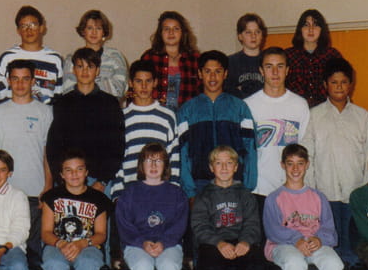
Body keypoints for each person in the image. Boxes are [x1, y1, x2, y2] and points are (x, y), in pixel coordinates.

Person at [263, 144, 342, 270]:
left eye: (300, 163)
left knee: (334, 264)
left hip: (313, 243)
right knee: (294, 263)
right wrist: (296, 240)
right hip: (284, 244)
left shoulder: (318, 197)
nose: (295, 169)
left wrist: (319, 239)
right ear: (283, 165)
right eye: (290, 164)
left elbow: (329, 229)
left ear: (307, 165)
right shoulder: (274, 198)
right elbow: (272, 230)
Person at [192, 146, 268, 270]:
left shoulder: (246, 195)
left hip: (241, 242)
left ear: (236, 167)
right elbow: (199, 226)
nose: (224, 167)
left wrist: (245, 242)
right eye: (219, 163)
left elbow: (253, 224)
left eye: (229, 163)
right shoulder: (204, 196)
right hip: (214, 244)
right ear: (211, 167)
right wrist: (219, 243)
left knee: (258, 268)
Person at [115, 143, 188, 270]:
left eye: (159, 161)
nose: (154, 165)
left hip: (169, 244)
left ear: (166, 165)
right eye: (149, 160)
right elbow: (124, 225)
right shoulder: (130, 193)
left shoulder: (176, 193)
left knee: (169, 267)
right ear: (141, 165)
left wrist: (164, 242)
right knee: (142, 267)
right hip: (136, 244)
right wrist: (142, 242)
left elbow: (180, 224)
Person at [303, 57, 368, 265]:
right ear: (325, 84)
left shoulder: (362, 117)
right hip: (325, 196)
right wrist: (313, 194)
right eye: (334, 82)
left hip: (355, 196)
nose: (339, 87)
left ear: (350, 84)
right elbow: (308, 156)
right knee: (329, 252)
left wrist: (365, 194)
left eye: (343, 82)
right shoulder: (314, 116)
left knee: (353, 252)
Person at [41, 150, 112, 270]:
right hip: (57, 245)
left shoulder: (98, 198)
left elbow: (101, 234)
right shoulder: (51, 196)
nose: (74, 174)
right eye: (68, 170)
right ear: (61, 174)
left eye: (79, 169)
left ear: (86, 172)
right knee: (53, 264)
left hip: (88, 246)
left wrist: (82, 243)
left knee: (88, 264)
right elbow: (45, 232)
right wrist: (61, 243)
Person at [177, 50, 257, 199]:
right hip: (199, 185)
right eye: (208, 71)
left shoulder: (240, 108)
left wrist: (247, 186)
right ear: (200, 74)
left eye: (218, 71)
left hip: (234, 184)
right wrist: (189, 191)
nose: (212, 77)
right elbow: (182, 152)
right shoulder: (187, 110)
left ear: (225, 74)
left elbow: (250, 148)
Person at [0, 60, 53, 263]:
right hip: (6, 192)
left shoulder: (45, 112)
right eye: (15, 79)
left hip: (35, 192)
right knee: (6, 247)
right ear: (8, 81)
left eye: (25, 79)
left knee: (34, 250)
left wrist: (48, 186)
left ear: (33, 81)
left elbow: (47, 153)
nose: (20, 84)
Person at [46, 47, 125, 193]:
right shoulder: (62, 103)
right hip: (69, 179)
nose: (85, 71)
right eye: (80, 66)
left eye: (90, 66)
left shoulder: (110, 103)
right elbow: (54, 146)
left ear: (97, 71)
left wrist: (103, 180)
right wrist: (61, 178)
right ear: (73, 70)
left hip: (99, 181)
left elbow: (117, 146)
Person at [245, 47, 310, 208]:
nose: (275, 72)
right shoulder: (249, 105)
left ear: (287, 70)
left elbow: (305, 148)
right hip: (259, 190)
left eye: (280, 66)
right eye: (269, 66)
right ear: (261, 71)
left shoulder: (300, 105)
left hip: (292, 188)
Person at [111, 59, 180, 200]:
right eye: (138, 81)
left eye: (148, 81)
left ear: (155, 82)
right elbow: (117, 159)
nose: (143, 86)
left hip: (161, 192)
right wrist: (117, 195)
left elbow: (173, 157)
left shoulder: (167, 116)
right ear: (131, 83)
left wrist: (173, 190)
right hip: (130, 192)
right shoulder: (121, 117)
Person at [0, 5, 63, 104]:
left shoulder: (55, 59)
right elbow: (0, 95)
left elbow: (59, 94)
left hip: (45, 112)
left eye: (33, 25)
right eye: (24, 26)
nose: (29, 30)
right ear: (18, 31)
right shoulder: (8, 58)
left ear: (41, 28)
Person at [137, 11, 200, 111]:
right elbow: (137, 89)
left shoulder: (195, 59)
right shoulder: (149, 57)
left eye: (176, 28)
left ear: (183, 32)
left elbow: (201, 91)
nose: (171, 32)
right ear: (160, 33)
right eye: (166, 29)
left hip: (188, 114)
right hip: (156, 114)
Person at [63, 10, 128, 100]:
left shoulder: (115, 56)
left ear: (103, 32)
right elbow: (68, 89)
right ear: (83, 31)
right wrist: (105, 83)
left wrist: (85, 83)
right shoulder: (72, 58)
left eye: (98, 28)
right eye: (89, 28)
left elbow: (119, 89)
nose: (94, 32)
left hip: (108, 106)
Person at [285, 9, 344, 108]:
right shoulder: (288, 55)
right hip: (294, 109)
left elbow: (342, 85)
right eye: (306, 25)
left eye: (316, 25)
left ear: (322, 29)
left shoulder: (332, 55)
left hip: (325, 110)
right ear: (300, 29)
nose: (311, 29)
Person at [224, 13, 267, 99]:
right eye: (248, 32)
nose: (253, 36)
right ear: (240, 36)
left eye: (257, 32)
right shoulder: (230, 62)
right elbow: (227, 92)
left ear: (262, 35)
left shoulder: (269, 60)